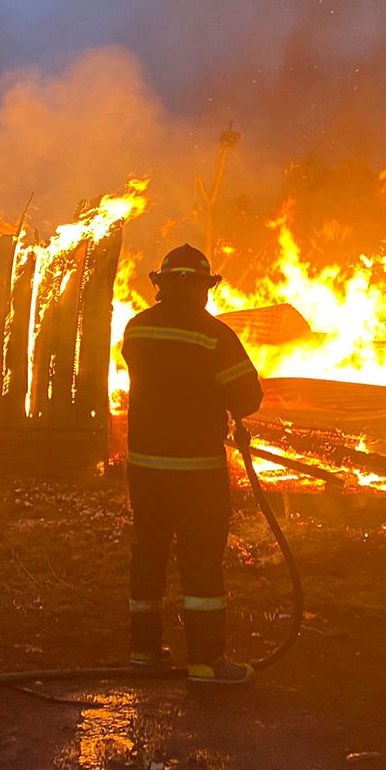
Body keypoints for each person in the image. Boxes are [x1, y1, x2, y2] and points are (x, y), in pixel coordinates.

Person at [121, 243, 263, 685]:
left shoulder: (136, 329)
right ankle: (206, 661)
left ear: (162, 286)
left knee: (149, 554)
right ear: (203, 288)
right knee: (201, 561)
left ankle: (143, 652)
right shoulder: (214, 335)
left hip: (144, 467)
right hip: (196, 471)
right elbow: (247, 397)